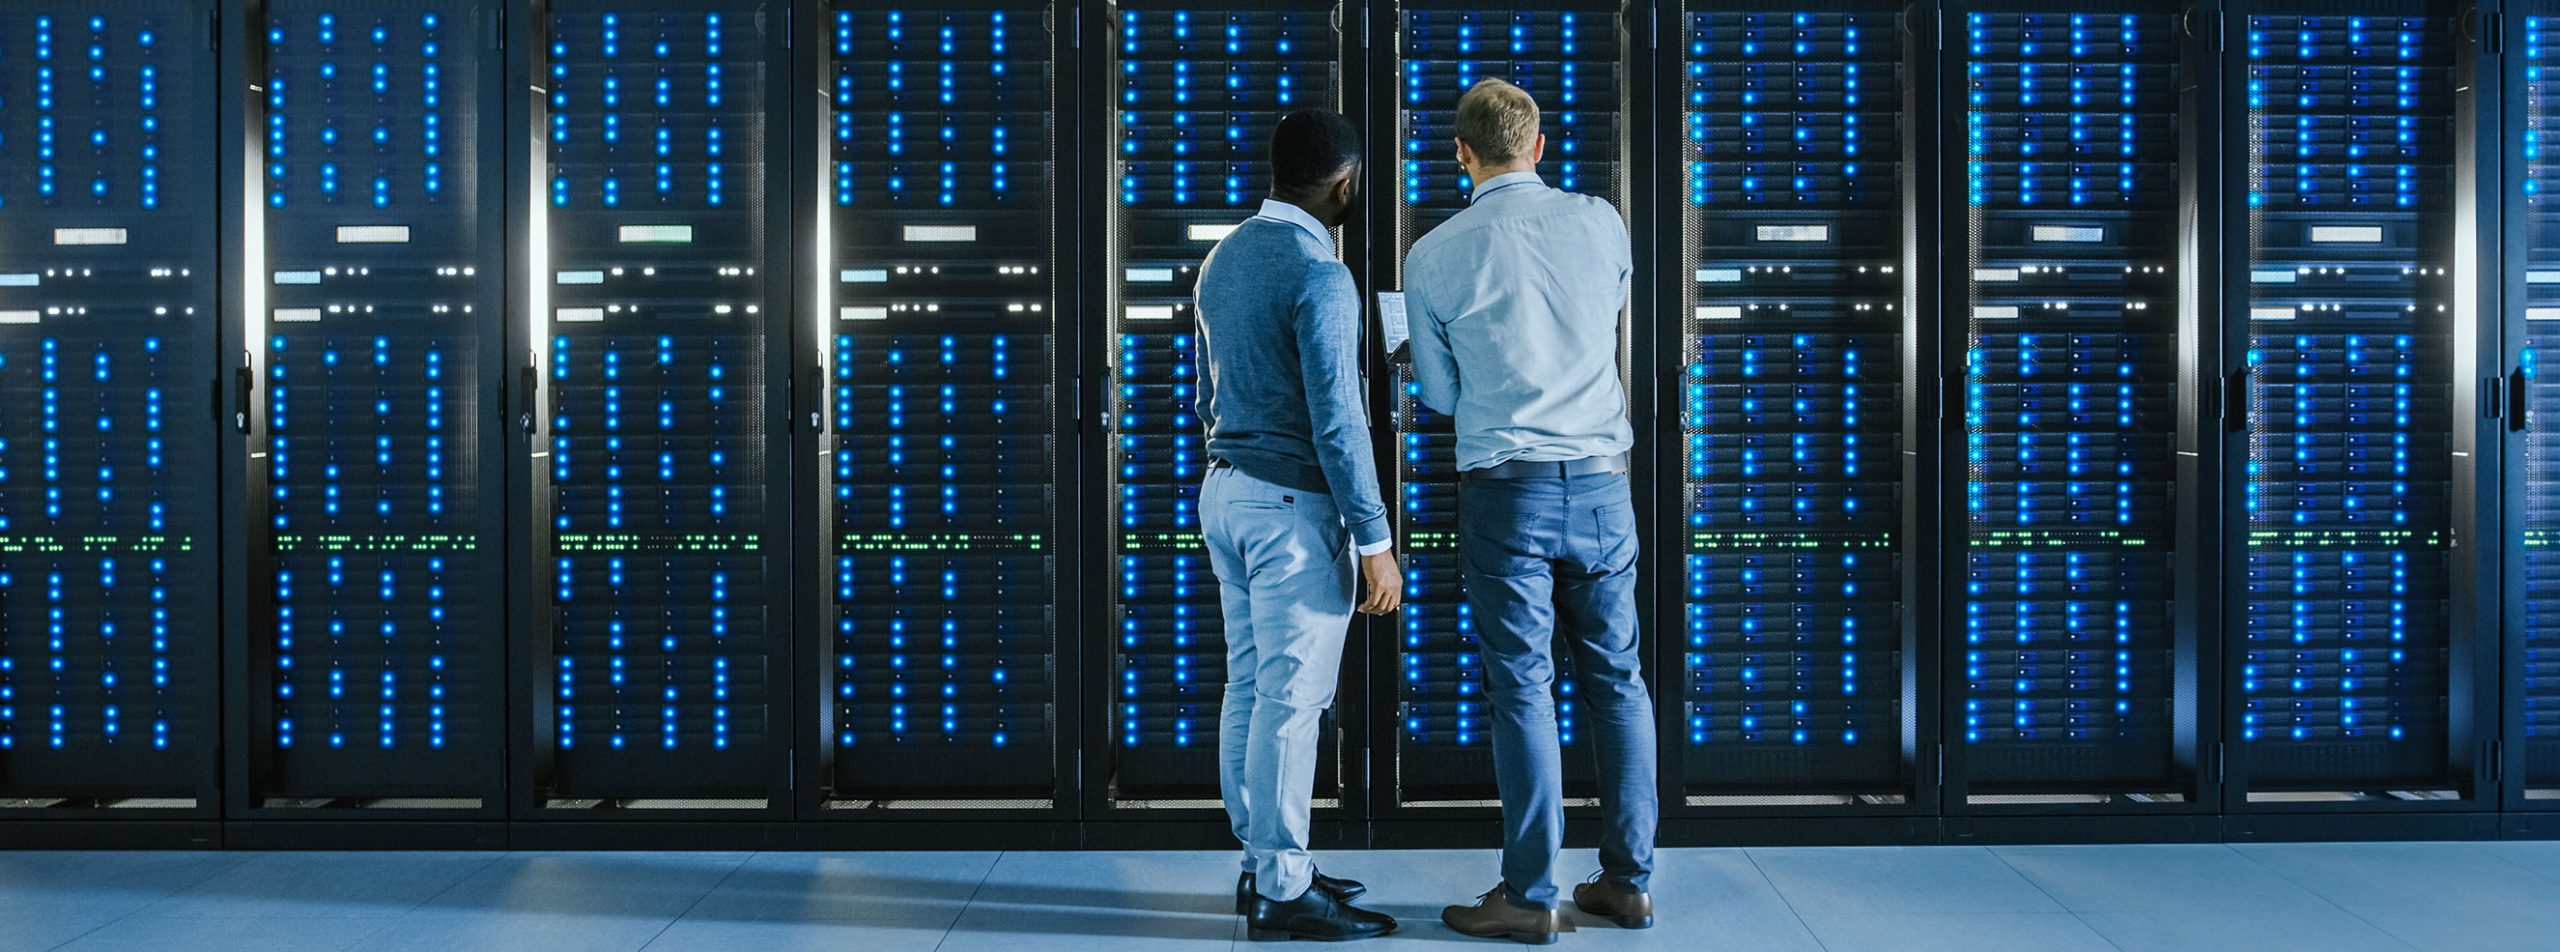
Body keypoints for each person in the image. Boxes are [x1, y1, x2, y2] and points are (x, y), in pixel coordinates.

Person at [1404, 78, 1658, 944]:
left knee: (1523, 687)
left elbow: (1439, 397)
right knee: (1618, 681)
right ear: (1540, 146)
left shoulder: (1434, 254)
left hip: (1506, 493)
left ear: (1461, 154)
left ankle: (1530, 894)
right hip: (1600, 483)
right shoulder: (1602, 221)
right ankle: (1627, 884)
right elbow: (1609, 319)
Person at [1194, 109, 1402, 942]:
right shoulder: (1321, 274)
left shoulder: (1225, 254)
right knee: (1291, 701)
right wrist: (1376, 540)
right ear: (1344, 181)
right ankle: (1283, 889)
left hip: (1227, 493)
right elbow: (1338, 420)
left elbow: (1217, 392)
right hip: (1290, 510)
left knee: (1250, 687)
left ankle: (1264, 867)